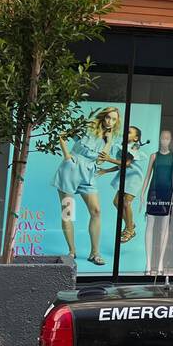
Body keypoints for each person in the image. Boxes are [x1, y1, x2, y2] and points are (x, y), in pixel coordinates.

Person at [52, 106, 119, 266]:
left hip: (89, 173)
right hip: (71, 170)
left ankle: (94, 253)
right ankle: (72, 251)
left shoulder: (109, 138)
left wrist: (108, 141)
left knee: (96, 211)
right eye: (108, 117)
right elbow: (62, 135)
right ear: (103, 117)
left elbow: (101, 161)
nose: (110, 121)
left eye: (114, 119)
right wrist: (67, 155)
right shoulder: (87, 128)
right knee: (68, 212)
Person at [140, 129, 173, 276]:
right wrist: (142, 194)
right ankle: (149, 264)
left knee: (164, 229)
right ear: (159, 139)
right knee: (149, 226)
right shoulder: (154, 156)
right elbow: (147, 176)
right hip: (153, 193)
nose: (164, 141)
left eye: (167, 138)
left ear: (170, 140)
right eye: (162, 138)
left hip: (167, 194)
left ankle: (160, 263)